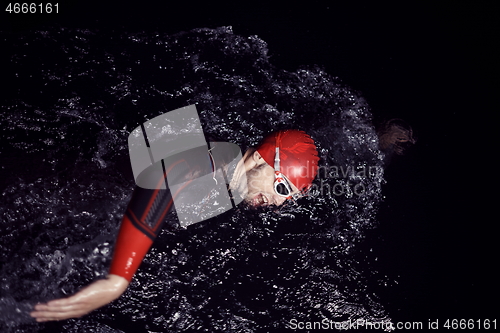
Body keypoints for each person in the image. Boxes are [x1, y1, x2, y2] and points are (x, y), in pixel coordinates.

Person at [30, 129, 320, 322]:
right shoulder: (221, 159)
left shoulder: (237, 183)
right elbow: (164, 176)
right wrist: (119, 277)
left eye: (289, 197)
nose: (279, 202)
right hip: (68, 195)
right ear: (260, 158)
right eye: (281, 187)